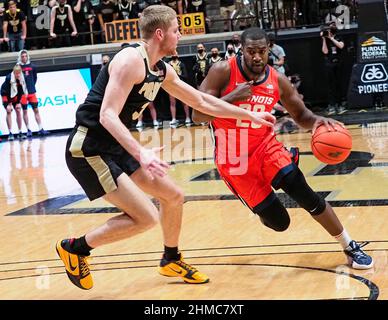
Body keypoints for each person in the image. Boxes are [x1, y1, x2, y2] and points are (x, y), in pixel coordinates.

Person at [56, 5, 275, 290]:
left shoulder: (160, 69)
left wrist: (251, 115)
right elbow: (106, 115)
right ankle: (75, 248)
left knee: (173, 196)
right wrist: (141, 152)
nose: (180, 36)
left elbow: (201, 101)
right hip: (88, 149)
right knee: (146, 217)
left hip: (115, 147)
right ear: (160, 34)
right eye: (176, 30)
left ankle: (170, 259)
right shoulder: (130, 60)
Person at [192, 27, 373, 271]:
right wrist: (232, 97)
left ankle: (349, 245)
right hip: (234, 162)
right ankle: (260, 200)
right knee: (279, 223)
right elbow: (197, 115)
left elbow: (301, 115)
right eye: (251, 52)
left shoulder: (277, 79)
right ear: (241, 49)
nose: (256, 57)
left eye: (262, 51)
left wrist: (319, 121)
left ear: (269, 49)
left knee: (304, 192)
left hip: (267, 149)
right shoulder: (222, 71)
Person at [17, 50, 49, 137]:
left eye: (25, 56)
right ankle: (28, 130)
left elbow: (35, 78)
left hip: (32, 92)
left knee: (36, 110)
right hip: (23, 94)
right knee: (25, 111)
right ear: (20, 57)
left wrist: (31, 87)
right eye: (22, 56)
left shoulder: (33, 66)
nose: (24, 58)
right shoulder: (17, 67)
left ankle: (40, 128)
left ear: (27, 56)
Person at [321, 21, 346, 115]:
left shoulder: (339, 36)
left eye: (332, 27)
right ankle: (331, 105)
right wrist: (324, 39)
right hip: (329, 63)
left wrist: (332, 38)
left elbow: (341, 46)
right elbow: (325, 52)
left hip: (338, 62)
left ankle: (340, 105)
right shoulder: (326, 39)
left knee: (338, 84)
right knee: (330, 85)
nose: (330, 30)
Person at [1, 65, 27, 141]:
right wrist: (9, 104)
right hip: (6, 94)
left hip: (16, 94)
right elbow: (7, 91)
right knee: (9, 111)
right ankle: (10, 133)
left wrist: (18, 102)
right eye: (16, 73)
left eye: (19, 73)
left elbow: (21, 90)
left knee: (18, 110)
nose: (18, 75)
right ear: (14, 72)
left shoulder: (23, 77)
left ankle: (20, 132)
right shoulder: (9, 78)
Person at [168, 54, 191, 126]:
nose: (174, 55)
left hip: (180, 84)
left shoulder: (181, 64)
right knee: (172, 102)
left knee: (184, 101)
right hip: (171, 85)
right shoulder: (168, 64)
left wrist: (177, 74)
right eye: (172, 55)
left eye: (175, 54)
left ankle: (187, 117)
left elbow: (186, 75)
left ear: (177, 56)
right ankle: (173, 119)